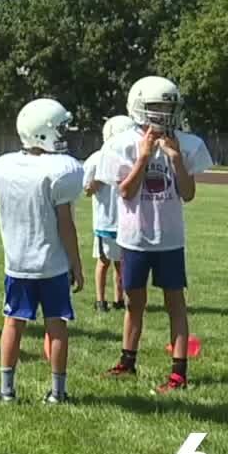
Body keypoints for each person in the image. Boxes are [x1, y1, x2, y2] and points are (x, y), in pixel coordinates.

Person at [97, 76, 212, 394]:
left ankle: (178, 372)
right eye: (157, 107)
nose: (163, 113)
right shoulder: (121, 144)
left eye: (168, 106)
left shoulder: (187, 144)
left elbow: (187, 194)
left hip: (170, 238)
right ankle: (127, 361)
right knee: (135, 303)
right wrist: (144, 157)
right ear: (140, 107)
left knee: (175, 303)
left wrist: (175, 160)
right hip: (135, 237)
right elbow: (125, 191)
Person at [0, 99, 85, 404]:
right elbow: (65, 225)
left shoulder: (3, 166)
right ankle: (58, 393)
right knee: (56, 325)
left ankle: (7, 390)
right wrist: (76, 264)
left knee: (13, 322)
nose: (64, 134)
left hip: (17, 262)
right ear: (42, 132)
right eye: (59, 128)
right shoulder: (61, 169)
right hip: (52, 262)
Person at [85, 116, 136, 313]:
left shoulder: (132, 156)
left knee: (121, 263)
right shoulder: (98, 158)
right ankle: (100, 300)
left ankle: (119, 299)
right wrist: (98, 182)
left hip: (127, 219)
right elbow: (87, 189)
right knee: (104, 261)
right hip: (106, 220)